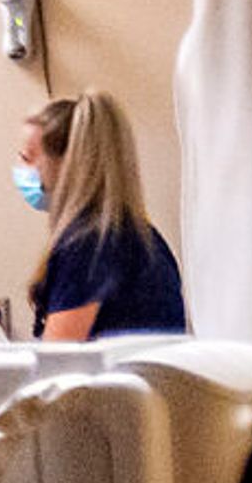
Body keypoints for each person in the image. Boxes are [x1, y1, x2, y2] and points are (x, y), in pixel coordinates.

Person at [19, 93, 188, 340]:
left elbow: (58, 361)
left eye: (27, 158)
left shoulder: (88, 247)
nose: (22, 170)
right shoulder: (143, 238)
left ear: (67, 165)